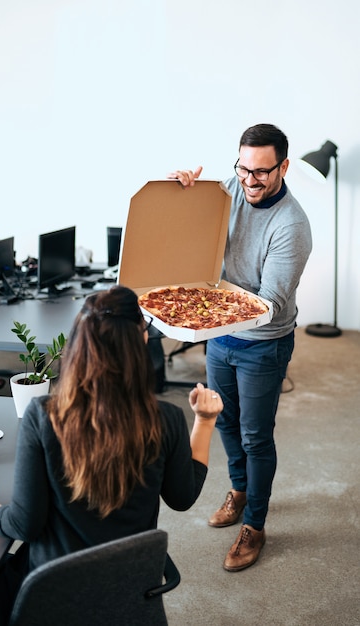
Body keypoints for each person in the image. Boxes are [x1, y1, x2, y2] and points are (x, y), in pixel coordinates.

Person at [0, 284, 223, 625]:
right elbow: (183, 497)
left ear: (77, 342)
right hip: (131, 585)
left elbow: (24, 525)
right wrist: (205, 420)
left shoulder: (45, 415)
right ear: (140, 342)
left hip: (52, 592)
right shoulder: (165, 419)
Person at [169, 123, 312, 572]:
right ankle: (239, 490)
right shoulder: (232, 186)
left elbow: (268, 304)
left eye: (261, 173)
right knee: (223, 420)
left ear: (283, 167)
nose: (249, 182)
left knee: (254, 434)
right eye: (243, 169)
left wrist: (204, 307)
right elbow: (192, 226)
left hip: (262, 343)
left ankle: (255, 523)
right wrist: (184, 194)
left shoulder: (292, 226)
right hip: (220, 334)